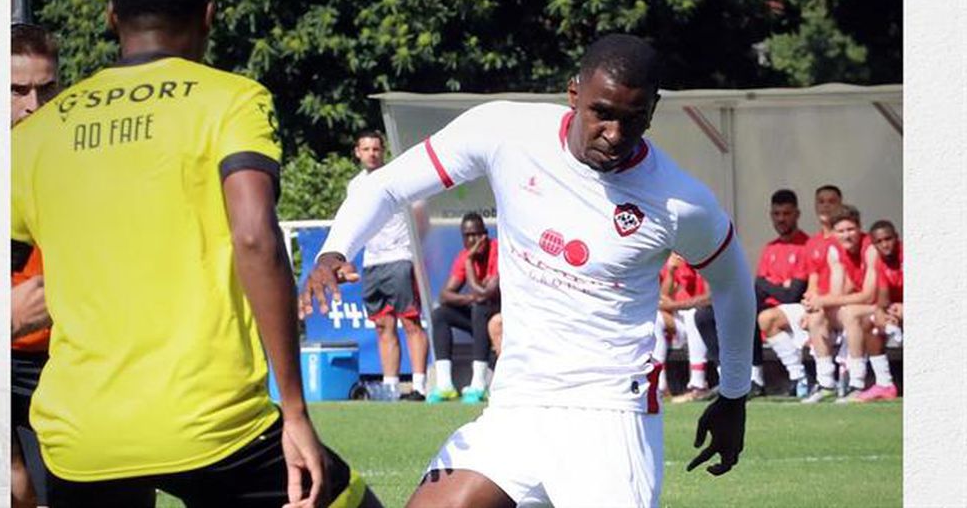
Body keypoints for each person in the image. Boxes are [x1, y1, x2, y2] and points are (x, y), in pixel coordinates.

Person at [301, 34, 756, 507]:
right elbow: (388, 186)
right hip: (516, 406)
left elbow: (733, 285)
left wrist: (734, 395)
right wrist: (334, 252)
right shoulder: (506, 131)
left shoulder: (680, 202)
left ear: (653, 110)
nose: (615, 134)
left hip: (608, 418)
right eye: (602, 113)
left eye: (633, 118)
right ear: (574, 93)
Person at [10, 0, 379, 506]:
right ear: (209, 14)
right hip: (215, 427)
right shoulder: (233, 100)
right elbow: (254, 237)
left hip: (80, 438)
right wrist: (295, 410)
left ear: (111, 17)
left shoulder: (36, 134)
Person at [10, 22, 61, 508]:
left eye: (46, 89)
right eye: (17, 90)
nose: (33, 105)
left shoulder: (81, 161)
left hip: (61, 359)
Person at [348, 129, 429, 400]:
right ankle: (391, 387)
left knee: (411, 322)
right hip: (373, 262)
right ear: (357, 152)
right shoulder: (355, 186)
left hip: (400, 259)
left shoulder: (399, 177)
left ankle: (419, 386)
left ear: (383, 151)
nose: (371, 154)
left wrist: (412, 251)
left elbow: (421, 215)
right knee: (383, 325)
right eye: (366, 149)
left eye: (376, 149)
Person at [802, 205, 880, 403]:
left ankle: (857, 383)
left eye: (851, 229)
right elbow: (837, 293)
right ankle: (826, 383)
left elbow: (869, 296)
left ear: (860, 228)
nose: (846, 235)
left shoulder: (871, 248)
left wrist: (823, 300)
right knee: (816, 316)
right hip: (858, 305)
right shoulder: (834, 250)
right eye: (841, 231)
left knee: (849, 313)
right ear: (834, 233)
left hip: (882, 306)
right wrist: (814, 306)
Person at [427, 212, 501, 404]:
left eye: (477, 234)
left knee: (479, 307)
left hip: (499, 314)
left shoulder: (497, 251)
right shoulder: (464, 256)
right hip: (478, 317)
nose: (473, 240)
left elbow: (487, 294)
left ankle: (479, 384)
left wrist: (469, 262)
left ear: (485, 234)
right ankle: (445, 385)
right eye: (468, 236)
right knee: (440, 314)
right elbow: (445, 295)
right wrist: (470, 297)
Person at [754, 189, 811, 397]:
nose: (781, 219)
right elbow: (758, 286)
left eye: (786, 214)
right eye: (776, 214)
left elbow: (792, 295)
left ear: (797, 214)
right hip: (774, 308)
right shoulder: (770, 248)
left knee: (765, 317)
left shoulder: (806, 245)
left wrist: (766, 283)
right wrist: (777, 286)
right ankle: (754, 380)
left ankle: (799, 377)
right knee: (743, 313)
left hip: (797, 309)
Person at [839, 220, 902, 402]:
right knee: (870, 323)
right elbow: (883, 298)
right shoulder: (880, 262)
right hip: (896, 311)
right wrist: (882, 313)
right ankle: (884, 384)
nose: (885, 245)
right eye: (879, 242)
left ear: (897, 238)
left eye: (888, 239)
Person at [653, 254, 713, 403]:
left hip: (707, 322)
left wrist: (674, 305)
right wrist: (671, 272)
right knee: (656, 319)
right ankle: (659, 387)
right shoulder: (671, 259)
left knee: (693, 315)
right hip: (680, 323)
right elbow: (663, 298)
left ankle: (698, 385)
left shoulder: (704, 256)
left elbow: (710, 297)